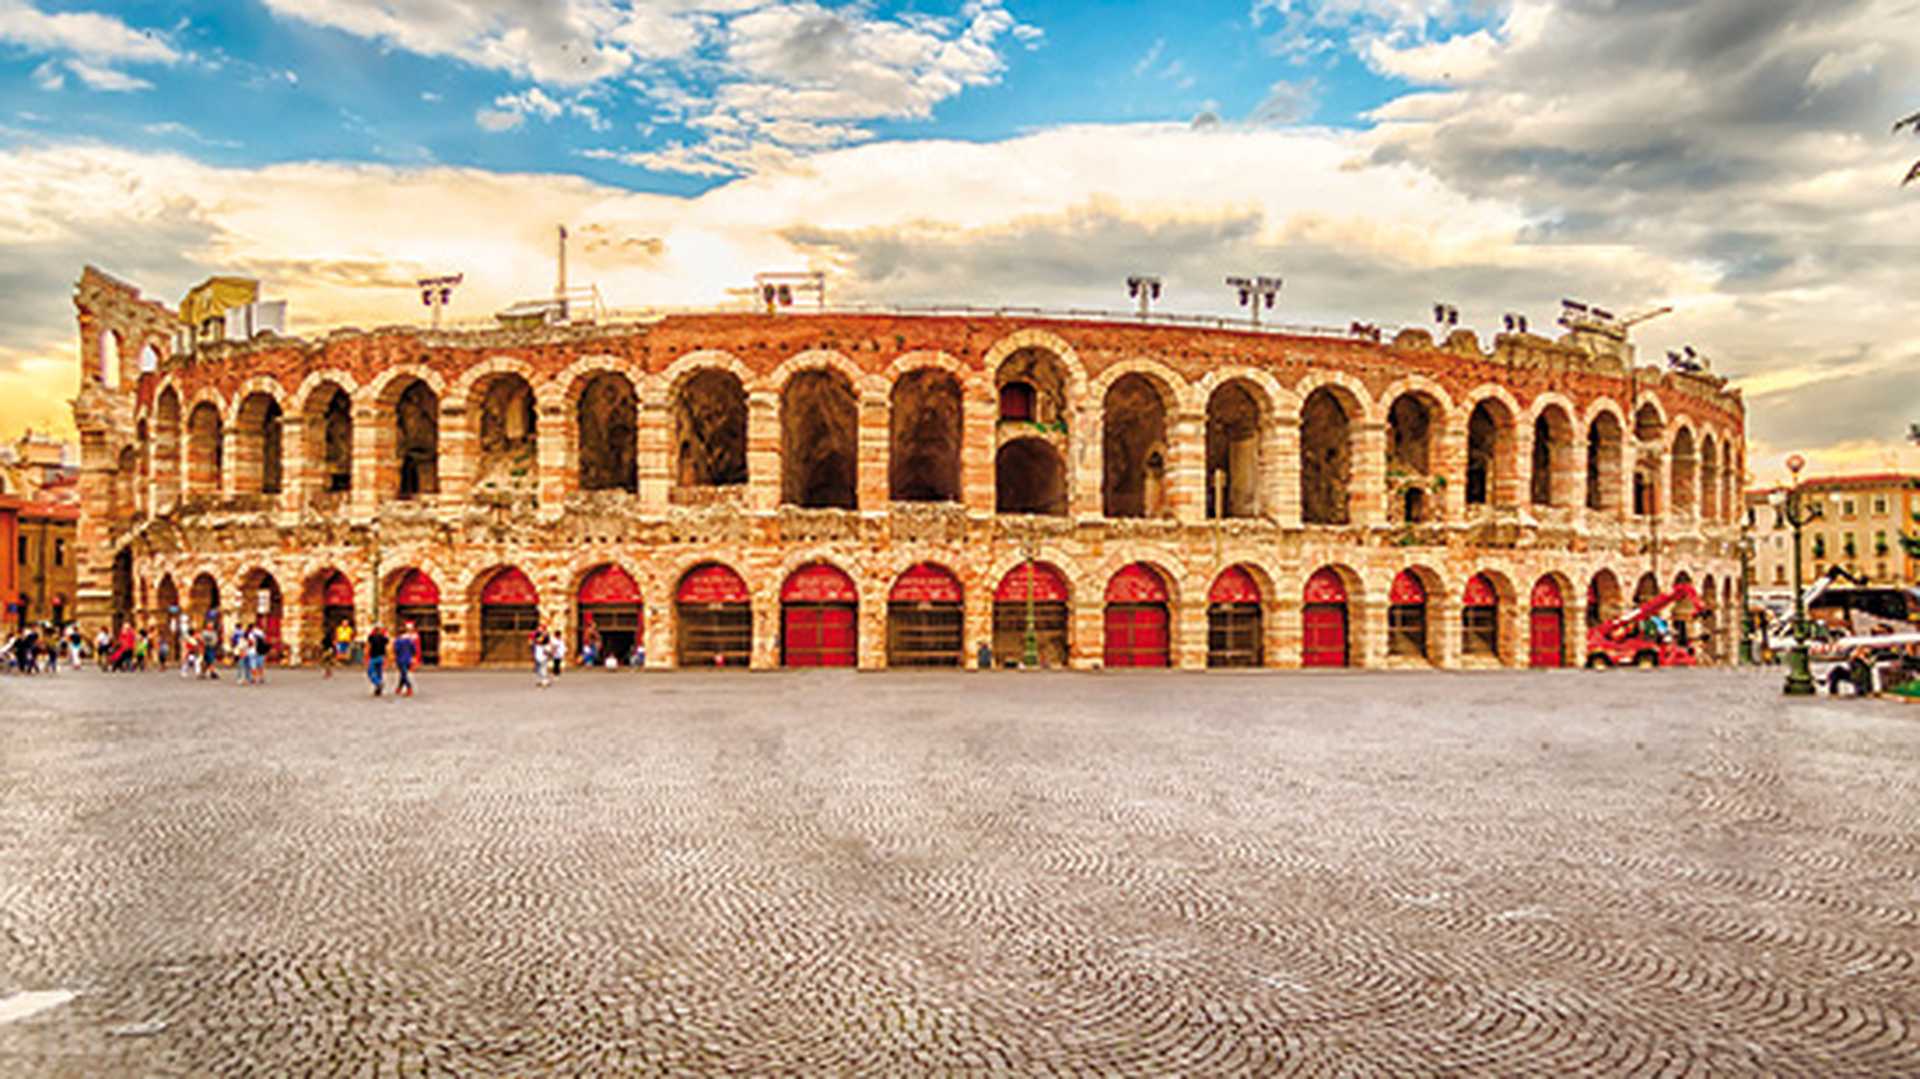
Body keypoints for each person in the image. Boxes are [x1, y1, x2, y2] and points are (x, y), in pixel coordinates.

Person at [393, 622, 419, 698]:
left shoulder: (397, 641)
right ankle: (399, 688)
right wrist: (412, 656)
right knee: (403, 674)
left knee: (404, 674)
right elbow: (414, 649)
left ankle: (409, 687)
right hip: (408, 659)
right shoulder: (409, 640)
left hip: (401, 659)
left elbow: (396, 650)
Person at [366, 624, 389, 697]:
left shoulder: (371, 637)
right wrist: (387, 657)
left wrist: (366, 656)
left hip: (373, 657)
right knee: (379, 673)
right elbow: (387, 647)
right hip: (381, 657)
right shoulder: (384, 638)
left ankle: (378, 683)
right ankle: (378, 690)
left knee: (370, 672)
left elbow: (368, 646)